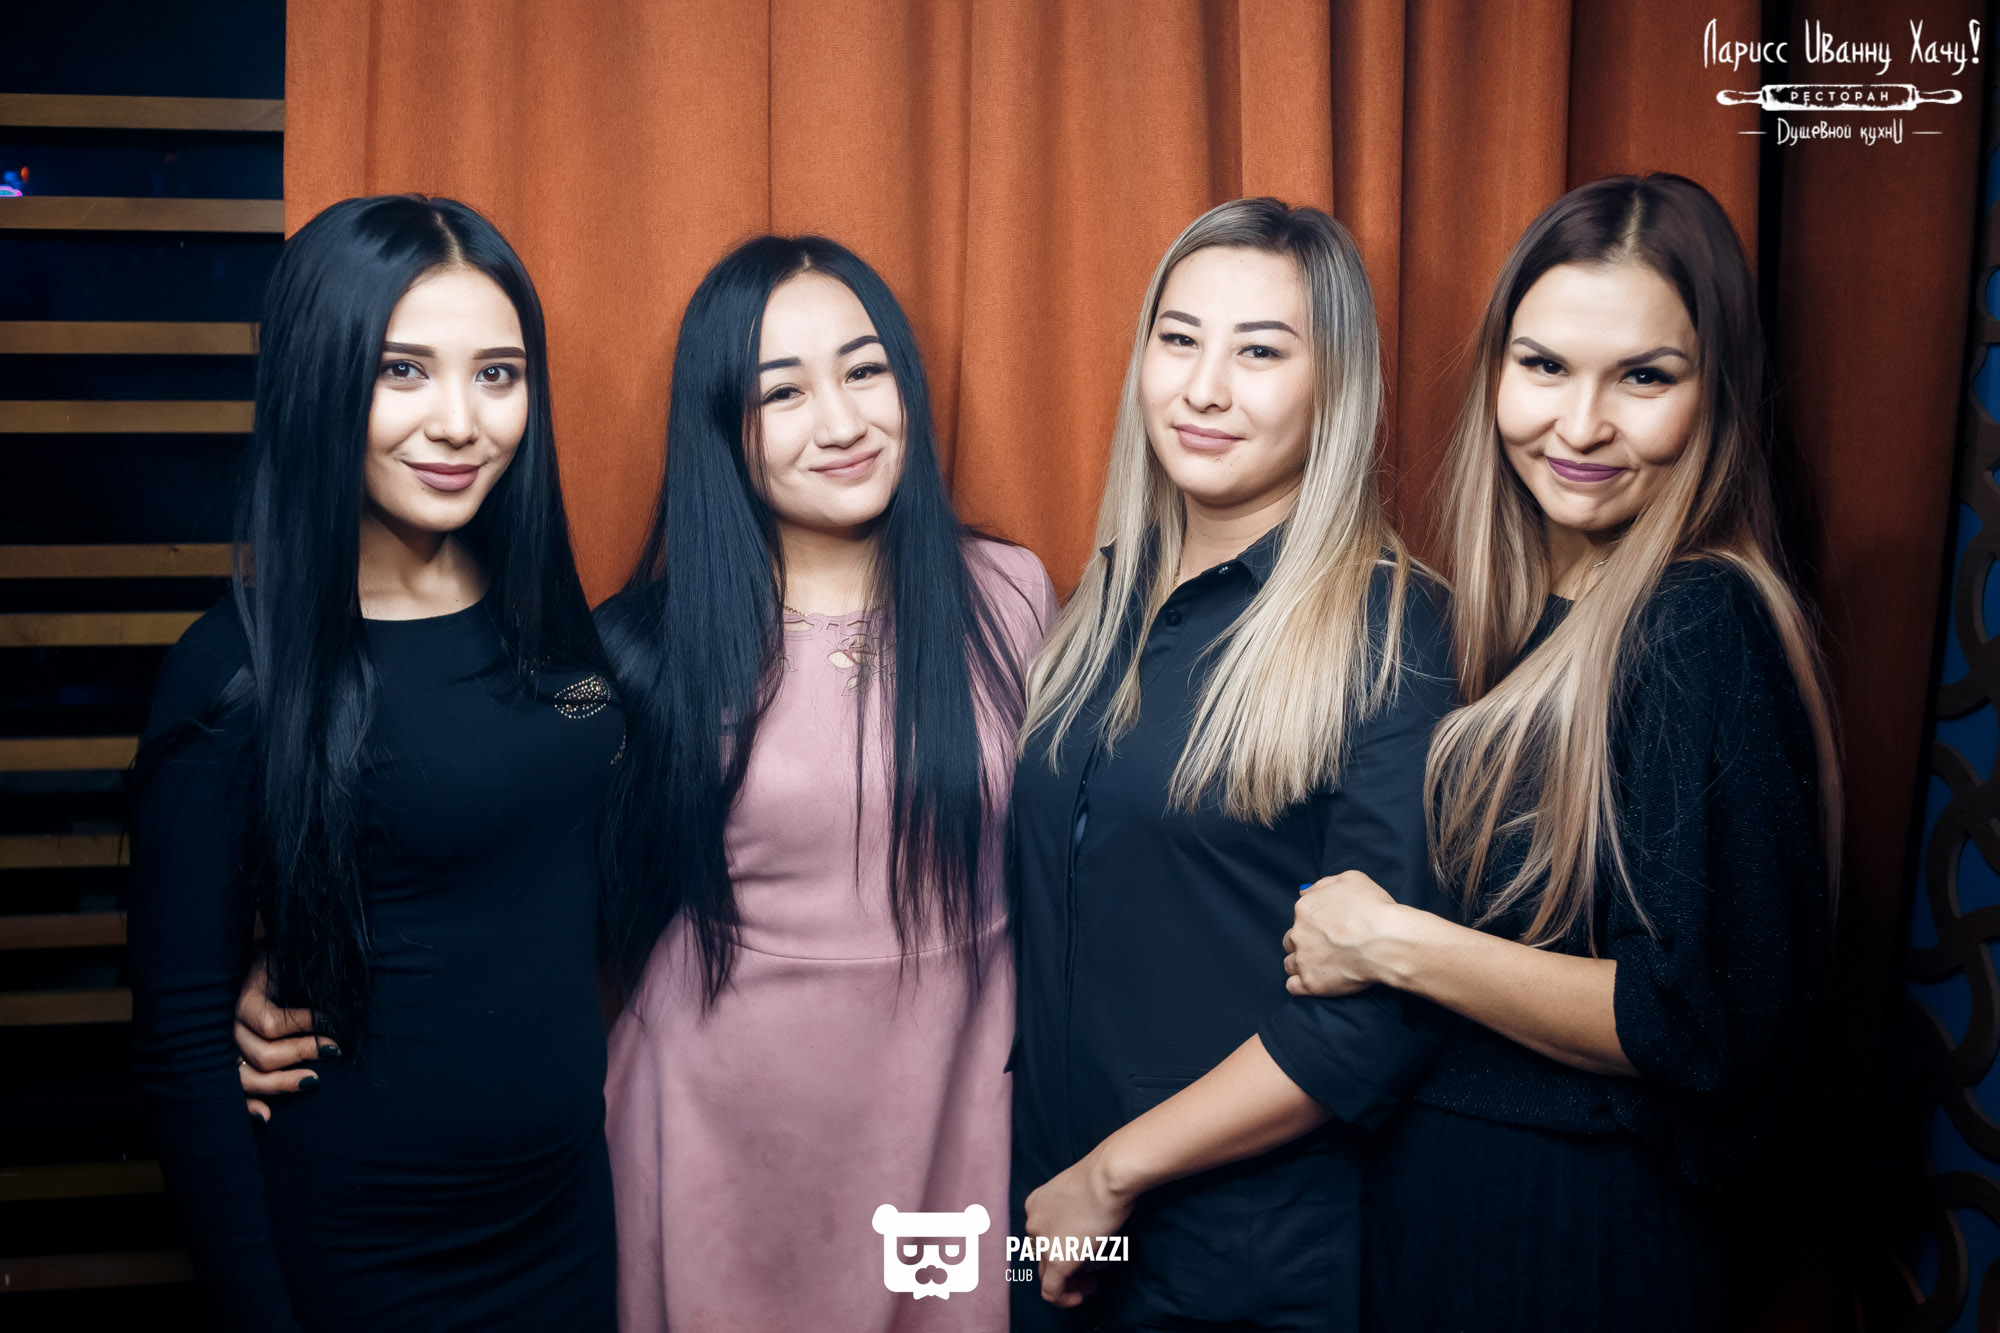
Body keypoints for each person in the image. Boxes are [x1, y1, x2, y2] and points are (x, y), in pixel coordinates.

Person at [1282, 174, 1841, 1331]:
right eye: (1542, 366)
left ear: (1717, 395)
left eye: (1643, 377)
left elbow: (1694, 1017)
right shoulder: (1514, 616)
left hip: (1572, 1240)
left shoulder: (1694, 621)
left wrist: (1389, 943)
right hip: (1452, 1219)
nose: (1578, 426)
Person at [130, 195, 620, 1331]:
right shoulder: (235, 676)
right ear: (320, 377)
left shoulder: (553, 628)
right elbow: (182, 1054)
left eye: (497, 375)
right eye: (403, 371)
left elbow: (557, 834)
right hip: (365, 1250)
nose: (459, 422)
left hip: (563, 1222)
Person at [1009, 197, 1456, 1331]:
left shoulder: (1393, 633)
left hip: (1240, 1259)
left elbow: (1370, 1020)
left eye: (1259, 351)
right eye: (1179, 339)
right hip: (1059, 1225)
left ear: (1332, 387)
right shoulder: (1104, 595)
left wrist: (1114, 1172)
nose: (1202, 388)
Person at [593, 235, 1054, 1331]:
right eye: (783, 392)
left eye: (863, 369)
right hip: (717, 1128)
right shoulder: (646, 650)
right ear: (722, 425)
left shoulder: (1012, 595)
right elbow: (524, 887)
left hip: (955, 1115)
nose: (841, 422)